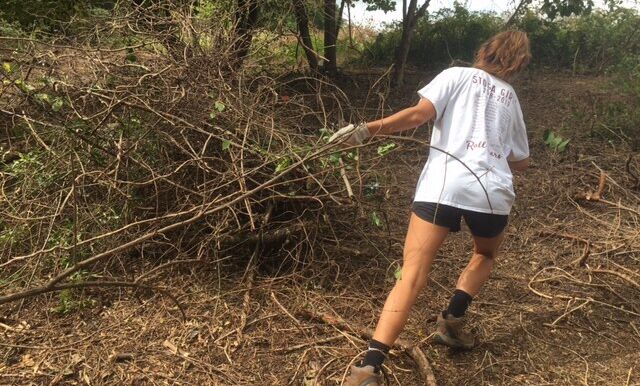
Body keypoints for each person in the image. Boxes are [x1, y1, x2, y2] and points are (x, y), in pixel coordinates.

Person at [329, 30, 532, 386]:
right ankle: (453, 319)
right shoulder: (510, 97)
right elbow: (521, 161)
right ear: (519, 64)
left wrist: (364, 131)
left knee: (411, 276)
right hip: (491, 193)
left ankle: (369, 368)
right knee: (484, 254)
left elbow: (418, 115)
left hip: (443, 185)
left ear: (484, 51)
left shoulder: (455, 75)